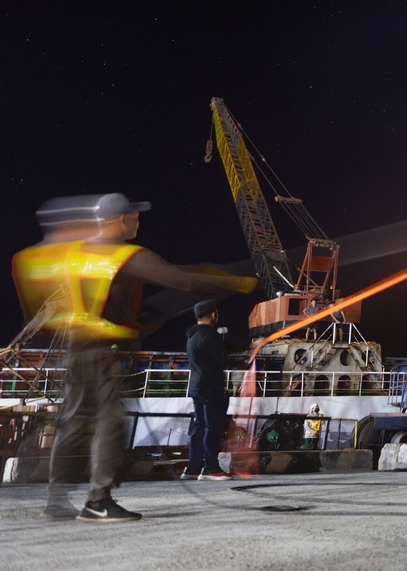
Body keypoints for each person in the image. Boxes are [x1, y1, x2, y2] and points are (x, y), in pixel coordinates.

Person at [11, 193, 258, 523]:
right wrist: (235, 281)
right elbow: (182, 279)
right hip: (100, 356)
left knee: (72, 423)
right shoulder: (122, 255)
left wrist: (135, 324)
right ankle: (98, 500)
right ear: (119, 220)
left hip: (76, 352)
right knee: (109, 422)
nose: (137, 221)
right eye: (133, 215)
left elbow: (93, 305)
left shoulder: (81, 255)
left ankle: (56, 501)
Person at [184, 300, 232, 480]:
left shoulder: (192, 335)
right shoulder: (211, 335)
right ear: (213, 314)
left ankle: (193, 468)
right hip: (211, 385)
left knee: (200, 425)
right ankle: (211, 468)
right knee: (213, 427)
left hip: (196, 385)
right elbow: (221, 361)